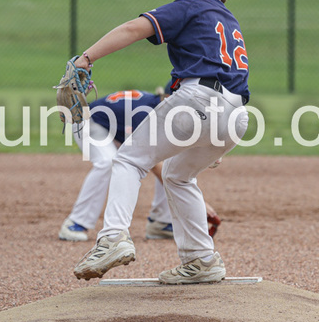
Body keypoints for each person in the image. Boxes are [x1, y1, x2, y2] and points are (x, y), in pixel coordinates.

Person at [71, 0, 249, 284]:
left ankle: (112, 238)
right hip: (235, 115)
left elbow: (133, 29)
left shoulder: (190, 8)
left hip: (198, 100)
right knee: (178, 175)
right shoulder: (227, 19)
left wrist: (86, 58)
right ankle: (202, 259)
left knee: (127, 160)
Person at [59, 87, 222, 242]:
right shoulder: (147, 114)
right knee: (106, 162)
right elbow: (154, 163)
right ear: (168, 98)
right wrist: (198, 203)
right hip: (89, 122)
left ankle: (161, 223)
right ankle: (75, 223)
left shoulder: (162, 110)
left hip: (113, 128)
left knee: (170, 160)